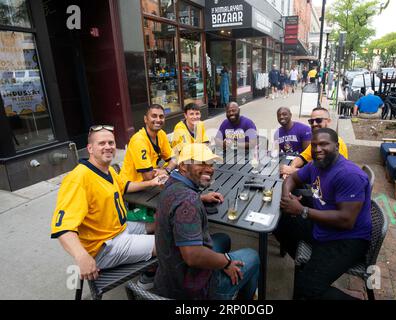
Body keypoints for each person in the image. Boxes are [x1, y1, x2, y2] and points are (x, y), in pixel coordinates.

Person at [51, 125, 164, 281]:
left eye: (111, 143)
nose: (108, 147)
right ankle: (149, 281)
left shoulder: (107, 169)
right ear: (90, 148)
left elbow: (124, 187)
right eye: (102, 143)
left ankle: (151, 269)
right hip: (104, 248)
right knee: (169, 243)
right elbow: (63, 228)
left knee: (160, 223)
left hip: (118, 229)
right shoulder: (78, 179)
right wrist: (82, 256)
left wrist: (151, 183)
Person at [274, 128, 372, 300]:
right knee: (278, 222)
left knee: (306, 290)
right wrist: (287, 197)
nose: (317, 149)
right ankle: (307, 266)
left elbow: (346, 220)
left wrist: (302, 210)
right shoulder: (316, 165)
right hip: (322, 226)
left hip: (346, 238)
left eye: (324, 144)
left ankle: (310, 273)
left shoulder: (349, 174)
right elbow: (292, 179)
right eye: (314, 145)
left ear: (336, 146)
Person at [153, 143, 260, 299]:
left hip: (168, 274)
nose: (209, 169)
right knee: (253, 256)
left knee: (223, 238)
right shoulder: (187, 202)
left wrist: (199, 197)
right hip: (192, 290)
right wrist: (226, 262)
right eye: (201, 163)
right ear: (183, 166)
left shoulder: (172, 183)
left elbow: (178, 203)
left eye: (210, 164)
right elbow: (193, 255)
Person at [120, 104, 177, 234]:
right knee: (173, 196)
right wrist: (164, 170)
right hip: (131, 188)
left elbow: (174, 159)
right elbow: (148, 176)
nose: (158, 119)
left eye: (161, 116)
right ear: (145, 119)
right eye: (154, 116)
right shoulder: (139, 141)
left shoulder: (161, 134)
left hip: (150, 183)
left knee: (177, 185)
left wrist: (166, 170)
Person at [280, 107, 348, 178]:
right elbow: (302, 157)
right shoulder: (316, 142)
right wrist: (291, 168)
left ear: (329, 121)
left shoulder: (336, 143)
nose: (314, 124)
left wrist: (293, 171)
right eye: (311, 121)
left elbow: (328, 174)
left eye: (318, 120)